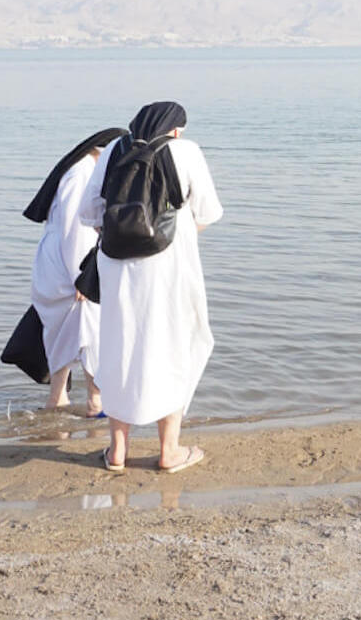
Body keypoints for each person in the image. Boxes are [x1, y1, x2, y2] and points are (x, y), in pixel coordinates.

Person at [79, 101, 222, 473]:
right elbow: (207, 213)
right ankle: (169, 451)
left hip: (117, 268)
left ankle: (117, 453)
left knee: (119, 346)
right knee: (176, 345)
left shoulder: (114, 149)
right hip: (171, 267)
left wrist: (125, 235)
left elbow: (89, 213)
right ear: (175, 129)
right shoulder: (186, 151)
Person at [24, 127, 126, 413]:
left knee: (65, 333)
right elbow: (75, 229)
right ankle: (95, 401)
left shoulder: (81, 170)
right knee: (90, 332)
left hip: (59, 261)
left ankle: (58, 399)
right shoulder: (82, 174)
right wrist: (81, 278)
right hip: (68, 263)